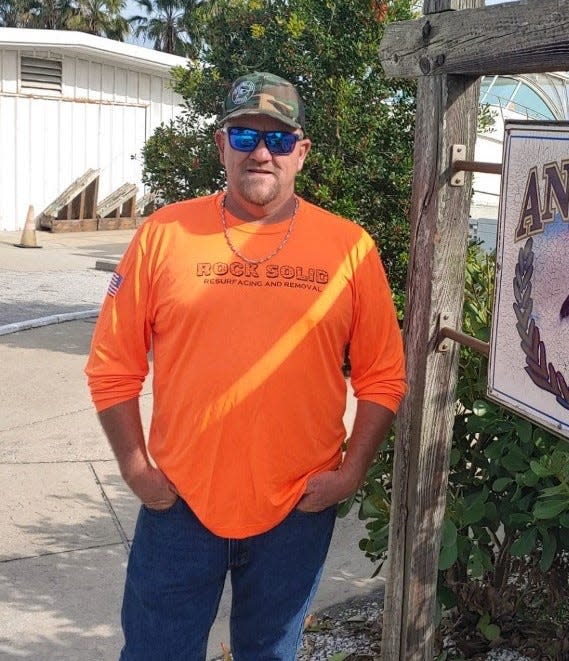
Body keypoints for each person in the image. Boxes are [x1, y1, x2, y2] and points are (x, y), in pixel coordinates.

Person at [85, 71, 407, 661]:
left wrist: (350, 473)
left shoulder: (350, 249)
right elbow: (111, 364)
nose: (262, 153)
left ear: (301, 153)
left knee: (271, 652)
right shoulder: (162, 236)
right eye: (245, 137)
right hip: (179, 504)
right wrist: (136, 469)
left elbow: (384, 374)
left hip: (297, 507)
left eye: (279, 140)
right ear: (221, 144)